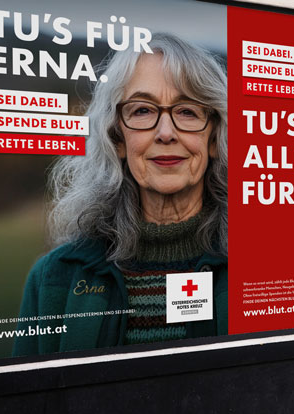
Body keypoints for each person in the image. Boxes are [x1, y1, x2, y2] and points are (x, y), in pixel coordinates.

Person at [13, 33, 228, 356]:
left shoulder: (264, 268)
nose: (166, 133)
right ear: (117, 138)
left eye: (187, 111)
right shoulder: (54, 278)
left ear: (214, 139)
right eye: (142, 110)